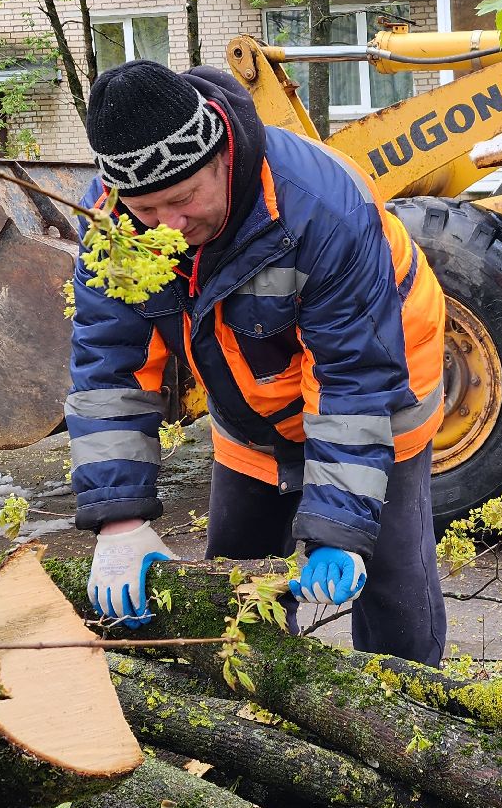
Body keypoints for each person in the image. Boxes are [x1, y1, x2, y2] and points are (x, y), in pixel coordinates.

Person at [67, 61, 448, 666]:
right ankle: (249, 716)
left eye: (184, 198)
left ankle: (411, 725)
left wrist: (340, 530)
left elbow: (354, 375)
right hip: (251, 404)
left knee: (392, 581)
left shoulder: (320, 207)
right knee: (234, 583)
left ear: (221, 157)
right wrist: (119, 518)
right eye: (148, 209)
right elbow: (109, 369)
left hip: (382, 382)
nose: (169, 226)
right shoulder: (113, 227)